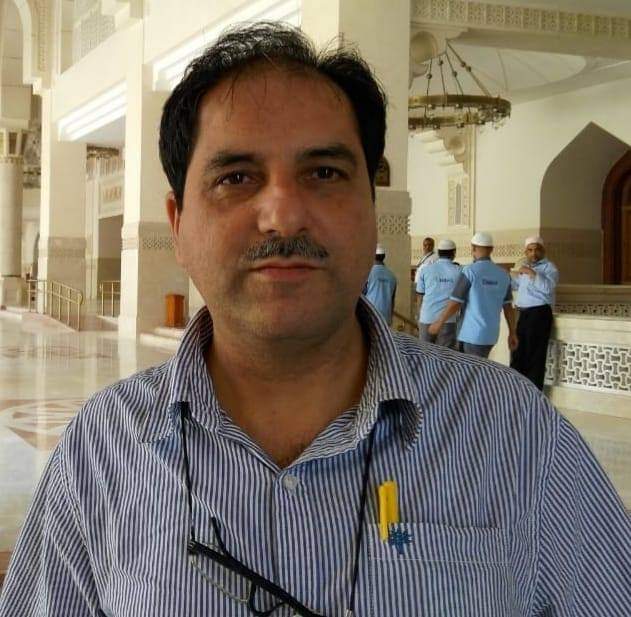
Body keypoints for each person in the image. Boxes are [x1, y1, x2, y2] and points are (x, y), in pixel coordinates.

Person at [1, 23, 629, 617]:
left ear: (371, 209)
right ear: (178, 224)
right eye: (236, 177)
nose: (283, 215)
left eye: (324, 173)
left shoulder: (511, 431)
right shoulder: (102, 449)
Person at [429, 232, 518, 359]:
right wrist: (512, 332)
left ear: (473, 248)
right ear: (491, 249)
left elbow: (455, 302)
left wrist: (439, 322)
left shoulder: (470, 271)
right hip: (491, 335)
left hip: (471, 334)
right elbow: (508, 307)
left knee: (471, 369)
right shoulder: (503, 274)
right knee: (481, 365)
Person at [510, 236, 559, 390]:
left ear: (542, 251)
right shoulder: (524, 266)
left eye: (536, 250)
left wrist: (533, 273)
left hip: (539, 314)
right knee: (519, 352)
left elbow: (548, 288)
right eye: (530, 250)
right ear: (526, 252)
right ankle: (517, 391)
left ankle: (533, 394)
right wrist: (504, 275)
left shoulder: (549, 268)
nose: (533, 253)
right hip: (523, 314)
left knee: (534, 356)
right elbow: (517, 285)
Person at [417, 238, 460, 349]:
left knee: (425, 354)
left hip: (426, 319)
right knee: (444, 356)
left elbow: (420, 296)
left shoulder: (425, 270)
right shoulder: (459, 271)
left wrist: (419, 316)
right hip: (448, 321)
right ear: (454, 253)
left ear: (438, 252)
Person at [364, 244, 397, 325]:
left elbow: (361, 296)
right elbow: (392, 300)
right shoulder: (392, 276)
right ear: (384, 257)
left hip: (370, 316)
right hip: (386, 319)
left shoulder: (368, 273)